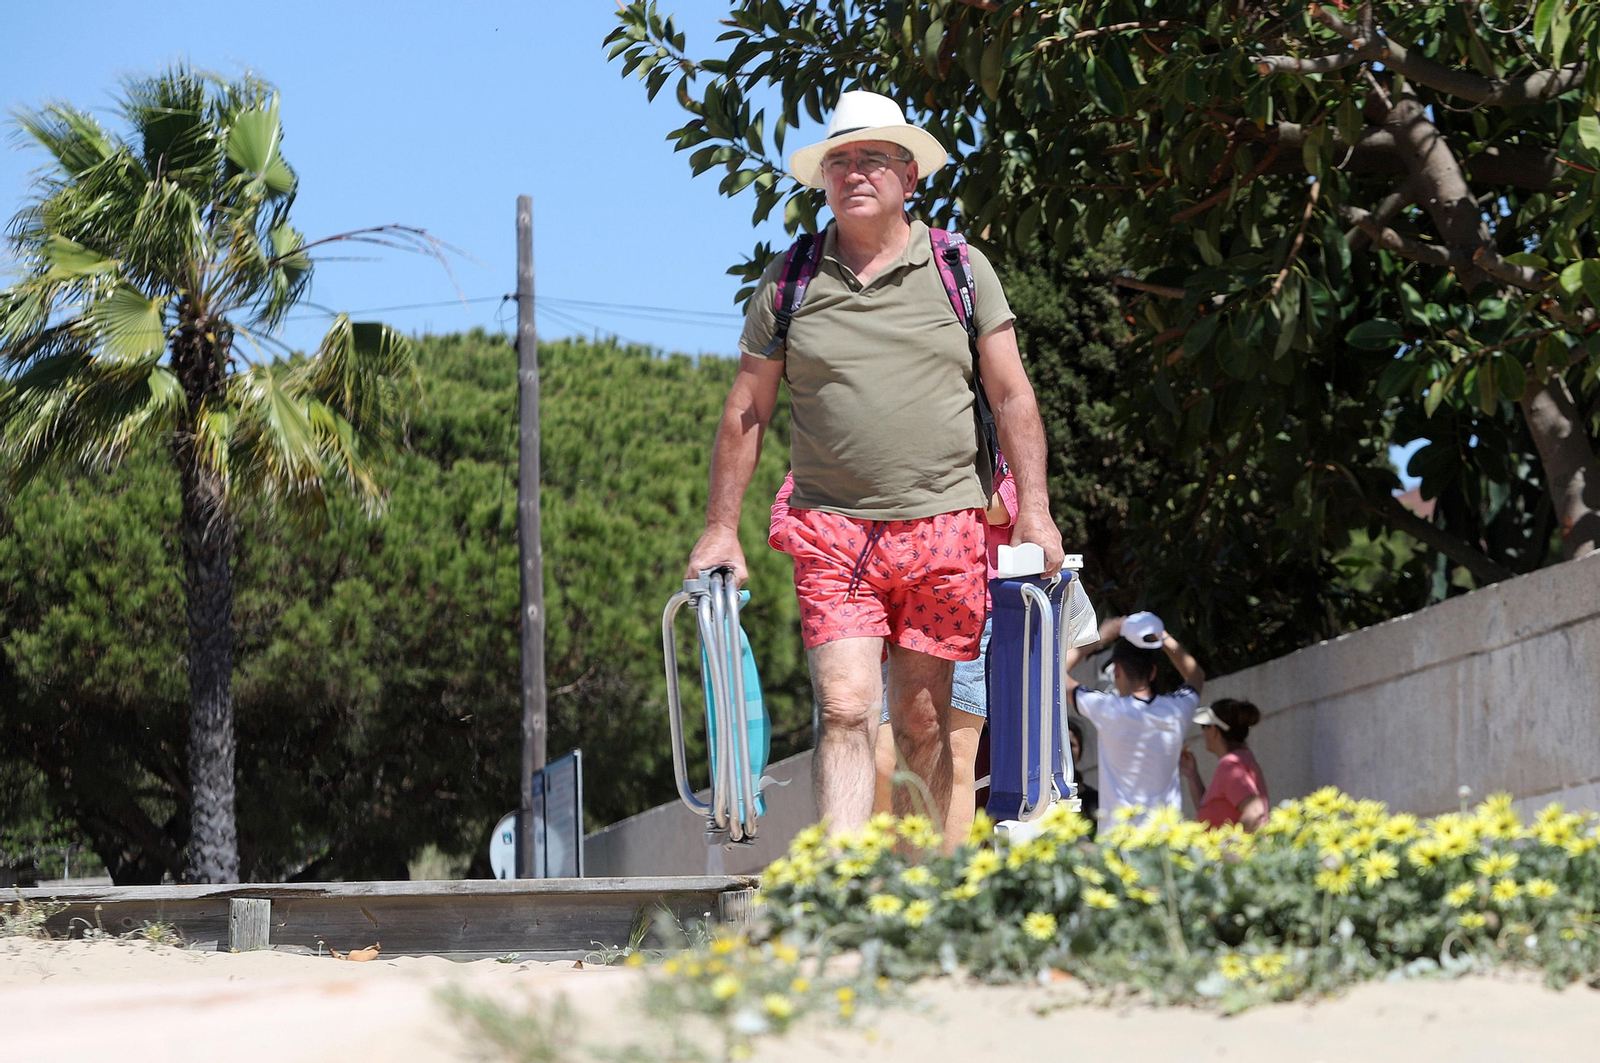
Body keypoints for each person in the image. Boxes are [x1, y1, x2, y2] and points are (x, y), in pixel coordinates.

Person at [688, 90, 1063, 842]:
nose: (854, 172)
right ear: (825, 178)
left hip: (945, 526)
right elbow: (747, 407)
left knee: (923, 719)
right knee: (846, 704)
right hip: (831, 527)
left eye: (872, 158)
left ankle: (914, 890)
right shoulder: (789, 279)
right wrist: (719, 528)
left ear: (908, 176)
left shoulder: (961, 267)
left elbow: (1012, 392)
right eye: (840, 161)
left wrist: (1035, 510)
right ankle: (849, 888)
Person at [1061, 612, 1205, 823]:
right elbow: (1196, 675)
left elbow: (1055, 671)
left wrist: (1101, 635)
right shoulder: (1176, 710)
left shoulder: (1108, 709)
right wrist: (1161, 636)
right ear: (1153, 672)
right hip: (1167, 838)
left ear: (1116, 671)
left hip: (1119, 840)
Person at [1180, 700, 1269, 831]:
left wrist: (1234, 847)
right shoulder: (1243, 758)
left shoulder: (1230, 765)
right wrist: (1192, 775)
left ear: (1214, 731)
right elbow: (1209, 809)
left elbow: (1255, 810)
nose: (1203, 732)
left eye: (1204, 727)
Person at [1065, 717, 1100, 837]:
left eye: (1071, 745)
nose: (1066, 750)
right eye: (1062, 745)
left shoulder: (1093, 798)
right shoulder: (1041, 795)